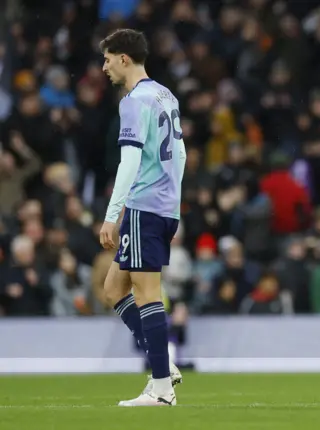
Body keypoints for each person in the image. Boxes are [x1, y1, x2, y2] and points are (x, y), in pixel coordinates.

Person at [98, 29, 187, 407]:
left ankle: (163, 389)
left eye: (107, 59)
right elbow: (180, 155)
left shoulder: (133, 100)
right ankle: (163, 360)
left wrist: (111, 214)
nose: (103, 67)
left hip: (144, 206)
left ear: (123, 59)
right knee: (113, 289)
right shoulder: (166, 95)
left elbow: (130, 160)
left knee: (146, 293)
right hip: (164, 206)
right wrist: (175, 203)